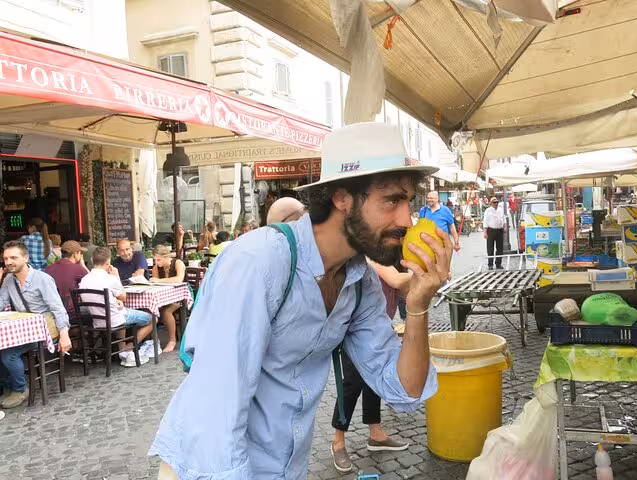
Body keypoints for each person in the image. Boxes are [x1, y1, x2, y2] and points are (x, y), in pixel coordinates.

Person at [149, 122, 450, 479]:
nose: (406, 218)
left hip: (283, 467)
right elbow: (218, 411)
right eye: (392, 200)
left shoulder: (358, 280)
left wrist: (417, 306)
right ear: (341, 197)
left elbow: (404, 390)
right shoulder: (260, 262)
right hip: (206, 468)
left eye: (409, 201)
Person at [330, 260, 412, 471]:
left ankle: (376, 434)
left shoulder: (396, 260)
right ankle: (337, 441)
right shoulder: (370, 257)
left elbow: (402, 290)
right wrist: (428, 276)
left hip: (378, 329)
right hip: (356, 330)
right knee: (352, 384)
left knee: (374, 379)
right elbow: (396, 279)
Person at [0, 241, 71, 408]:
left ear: (26, 258)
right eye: (5, 258)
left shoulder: (43, 279)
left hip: (44, 330)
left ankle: (20, 388)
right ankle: (7, 386)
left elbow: (58, 308)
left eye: (13, 257)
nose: (8, 262)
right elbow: (1, 303)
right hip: (23, 329)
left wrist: (64, 335)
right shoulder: (9, 279)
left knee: (8, 354)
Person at [79, 247, 154, 365]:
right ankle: (128, 349)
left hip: (96, 320)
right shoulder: (110, 279)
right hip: (115, 319)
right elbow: (123, 297)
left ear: (93, 260)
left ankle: (122, 349)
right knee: (152, 318)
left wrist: (114, 301)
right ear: (108, 263)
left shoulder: (84, 280)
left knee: (121, 310)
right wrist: (116, 276)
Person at [150, 245, 186, 352]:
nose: (157, 262)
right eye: (155, 260)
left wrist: (158, 281)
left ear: (166, 257)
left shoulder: (177, 263)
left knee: (166, 311)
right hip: (165, 297)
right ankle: (152, 342)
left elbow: (179, 279)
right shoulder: (156, 268)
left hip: (181, 296)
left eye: (159, 259)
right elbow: (154, 283)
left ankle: (172, 341)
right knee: (151, 309)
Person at [45, 240, 89, 316]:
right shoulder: (77, 269)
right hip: (71, 312)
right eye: (80, 253)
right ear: (75, 254)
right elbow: (94, 281)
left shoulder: (48, 269)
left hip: (53, 311)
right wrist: (83, 265)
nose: (81, 255)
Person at [483, 197, 506, 269]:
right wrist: (485, 232)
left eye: (497, 202)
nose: (496, 203)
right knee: (490, 248)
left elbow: (503, 218)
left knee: (500, 248)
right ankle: (490, 264)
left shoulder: (500, 210)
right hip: (491, 230)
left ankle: (498, 263)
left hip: (499, 230)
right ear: (491, 203)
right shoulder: (488, 210)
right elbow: (485, 221)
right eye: (494, 202)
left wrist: (505, 226)